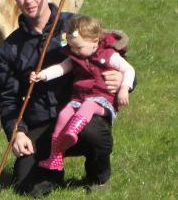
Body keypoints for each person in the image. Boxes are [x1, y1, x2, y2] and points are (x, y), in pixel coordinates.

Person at [0, 0, 131, 197]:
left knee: (94, 134)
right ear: (15, 0)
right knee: (27, 186)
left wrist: (123, 82)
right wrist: (17, 132)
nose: (28, 0)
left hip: (81, 113)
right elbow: (7, 99)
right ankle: (53, 171)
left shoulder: (74, 25)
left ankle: (98, 175)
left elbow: (112, 54)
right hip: (39, 124)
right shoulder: (10, 48)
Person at [30, 14, 135, 174]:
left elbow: (129, 69)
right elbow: (61, 68)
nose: (74, 51)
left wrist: (124, 88)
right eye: (71, 47)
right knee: (64, 113)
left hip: (102, 101)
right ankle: (56, 156)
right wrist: (42, 75)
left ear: (94, 42)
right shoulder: (76, 56)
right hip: (79, 99)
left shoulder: (108, 55)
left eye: (78, 47)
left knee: (89, 105)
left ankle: (72, 132)